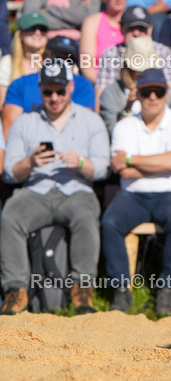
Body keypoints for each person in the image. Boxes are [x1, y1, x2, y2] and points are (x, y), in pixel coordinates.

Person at [0, 59, 110, 315]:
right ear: (40, 89)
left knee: (86, 212)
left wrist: (81, 162)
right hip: (35, 190)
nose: (54, 97)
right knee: (10, 215)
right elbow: (9, 173)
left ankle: (82, 290)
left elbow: (103, 168)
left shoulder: (91, 121)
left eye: (60, 90)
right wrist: (30, 162)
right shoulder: (24, 122)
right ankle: (15, 290)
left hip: (76, 188)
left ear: (71, 87)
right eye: (48, 91)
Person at [102, 68, 171, 317]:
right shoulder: (125, 126)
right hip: (134, 194)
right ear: (137, 94)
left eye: (159, 91)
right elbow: (122, 169)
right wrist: (167, 166)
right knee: (109, 222)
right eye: (146, 91)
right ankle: (121, 287)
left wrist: (133, 159)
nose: (153, 96)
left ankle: (168, 288)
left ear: (167, 94)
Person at [3, 38, 97, 138]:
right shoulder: (20, 84)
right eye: (55, 58)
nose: (60, 64)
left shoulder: (83, 85)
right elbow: (10, 134)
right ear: (43, 58)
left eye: (68, 60)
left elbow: (84, 129)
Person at [94, 5, 171, 102]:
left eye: (141, 29)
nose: (136, 33)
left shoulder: (163, 51)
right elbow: (101, 95)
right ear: (121, 28)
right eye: (131, 28)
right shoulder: (110, 54)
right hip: (121, 107)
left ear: (150, 29)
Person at [80, 0, 131, 83]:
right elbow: (87, 66)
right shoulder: (92, 23)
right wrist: (105, 88)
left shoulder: (135, 23)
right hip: (100, 84)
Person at [0, 12, 49, 105]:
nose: (38, 33)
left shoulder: (53, 63)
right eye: (31, 29)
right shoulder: (8, 63)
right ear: (20, 34)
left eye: (43, 29)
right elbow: (2, 104)